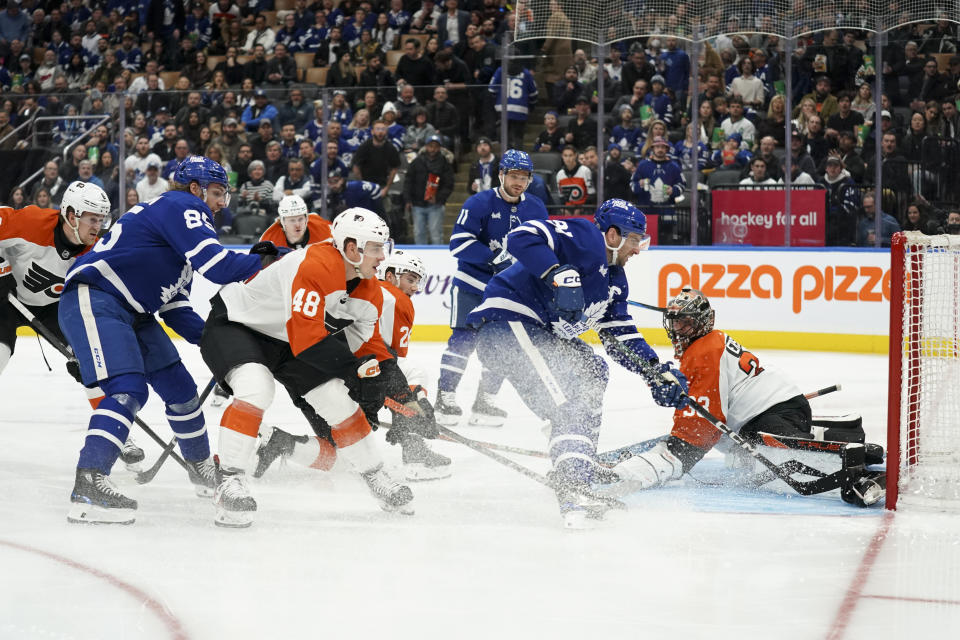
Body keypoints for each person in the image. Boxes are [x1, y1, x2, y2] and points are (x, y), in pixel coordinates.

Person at [58, 157, 270, 525]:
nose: (222, 203)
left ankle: (201, 469)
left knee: (181, 388)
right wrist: (273, 263)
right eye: (217, 193)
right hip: (96, 298)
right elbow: (218, 265)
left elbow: (175, 309)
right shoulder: (182, 205)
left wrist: (218, 344)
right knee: (128, 390)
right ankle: (89, 483)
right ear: (196, 189)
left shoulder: (178, 239)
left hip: (131, 311)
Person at [466, 200, 688, 528]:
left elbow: (619, 333)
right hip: (508, 323)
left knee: (593, 371)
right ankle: (574, 488)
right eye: (635, 240)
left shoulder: (615, 281)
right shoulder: (584, 236)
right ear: (612, 234)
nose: (638, 250)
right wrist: (557, 273)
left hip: (540, 334)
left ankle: (578, 461)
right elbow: (521, 236)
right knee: (568, 403)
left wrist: (653, 370)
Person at [199, 208, 415, 527]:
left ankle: (375, 475)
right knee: (257, 387)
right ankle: (229, 479)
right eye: (375, 248)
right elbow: (308, 341)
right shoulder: (316, 265)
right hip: (238, 324)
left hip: (287, 338)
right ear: (351, 248)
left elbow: (370, 350)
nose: (383, 256)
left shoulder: (369, 291)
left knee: (337, 400)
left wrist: (397, 395)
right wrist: (355, 373)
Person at [608, 288, 884, 506]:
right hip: (777, 408)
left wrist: (677, 456)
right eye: (675, 322)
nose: (678, 330)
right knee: (747, 455)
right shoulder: (708, 342)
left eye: (686, 323)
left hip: (774, 412)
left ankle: (855, 464)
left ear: (704, 322)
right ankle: (848, 436)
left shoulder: (703, 351)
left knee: (788, 460)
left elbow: (704, 424)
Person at [255, 250, 452, 482]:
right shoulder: (394, 299)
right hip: (344, 378)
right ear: (390, 276)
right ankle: (414, 451)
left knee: (344, 457)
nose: (415, 288)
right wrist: (411, 406)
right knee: (412, 375)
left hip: (309, 379)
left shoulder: (348, 288)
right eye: (410, 279)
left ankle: (282, 443)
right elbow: (391, 364)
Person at [437, 150, 548, 426]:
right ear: (501, 174)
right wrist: (494, 258)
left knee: (501, 346)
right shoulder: (479, 202)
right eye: (513, 175)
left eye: (524, 177)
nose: (518, 182)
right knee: (463, 340)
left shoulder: (536, 207)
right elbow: (459, 243)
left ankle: (484, 402)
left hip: (507, 291)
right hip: (472, 285)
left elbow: (542, 246)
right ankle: (445, 397)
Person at [403, 135, 454, 244]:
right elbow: (408, 181)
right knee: (418, 233)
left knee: (436, 234)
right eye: (430, 146)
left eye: (436, 146)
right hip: (417, 204)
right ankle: (419, 259)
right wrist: (408, 200)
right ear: (426, 146)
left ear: (440, 147)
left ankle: (437, 259)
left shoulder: (445, 163)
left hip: (436, 205)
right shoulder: (416, 162)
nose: (433, 149)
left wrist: (439, 198)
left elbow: (449, 184)